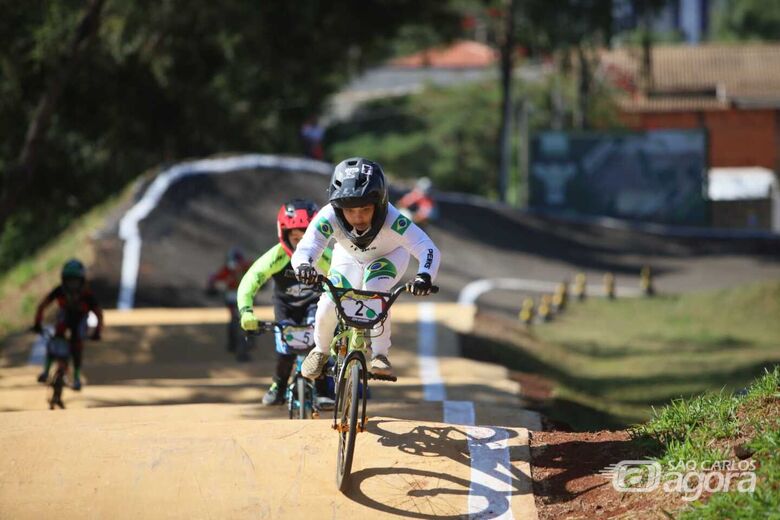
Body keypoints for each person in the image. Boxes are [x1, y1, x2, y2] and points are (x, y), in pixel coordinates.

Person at [292, 157, 440, 380]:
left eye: (365, 208)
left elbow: (426, 247)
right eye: (349, 210)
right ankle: (320, 351)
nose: (357, 217)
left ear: (379, 204)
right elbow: (308, 246)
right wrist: (304, 265)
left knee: (375, 288)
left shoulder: (393, 218)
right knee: (330, 300)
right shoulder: (328, 215)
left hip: (389, 256)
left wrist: (424, 276)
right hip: (348, 256)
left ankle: (380, 354)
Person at [237, 199, 333, 406]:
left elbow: (342, 278)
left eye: (305, 236)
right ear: (284, 235)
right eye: (295, 237)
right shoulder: (277, 255)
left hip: (313, 304)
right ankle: (279, 385)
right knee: (286, 352)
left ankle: (324, 389)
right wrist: (246, 311)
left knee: (319, 344)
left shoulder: (324, 256)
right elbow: (250, 280)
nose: (300, 243)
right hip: (285, 307)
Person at [33, 259, 103, 391]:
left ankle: (76, 377)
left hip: (81, 320)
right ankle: (46, 371)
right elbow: (42, 305)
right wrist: (37, 322)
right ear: (64, 280)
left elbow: (98, 314)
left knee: (77, 345)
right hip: (64, 318)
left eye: (75, 281)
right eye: (69, 281)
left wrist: (97, 331)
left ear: (81, 281)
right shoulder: (60, 291)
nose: (72, 284)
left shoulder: (87, 295)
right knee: (54, 340)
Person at [207, 247, 252, 357]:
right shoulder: (227, 269)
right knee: (234, 321)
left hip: (245, 298)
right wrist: (212, 285)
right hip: (232, 298)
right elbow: (214, 278)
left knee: (245, 320)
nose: (235, 266)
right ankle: (234, 344)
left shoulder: (246, 267)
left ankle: (247, 343)